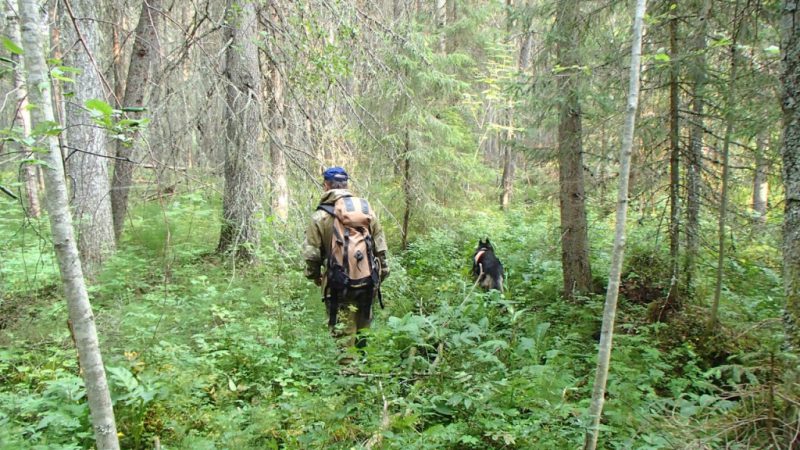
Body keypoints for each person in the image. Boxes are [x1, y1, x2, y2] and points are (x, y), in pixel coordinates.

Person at [303, 167, 389, 351]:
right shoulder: (366, 211)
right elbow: (380, 247)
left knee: (343, 338)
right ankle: (366, 372)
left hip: (337, 284)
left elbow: (312, 254)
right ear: (346, 185)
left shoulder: (320, 216)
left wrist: (314, 276)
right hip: (367, 281)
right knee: (363, 333)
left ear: (326, 185)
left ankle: (349, 372)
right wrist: (380, 274)